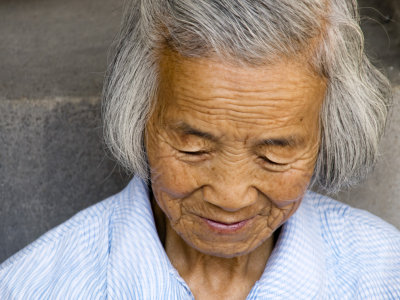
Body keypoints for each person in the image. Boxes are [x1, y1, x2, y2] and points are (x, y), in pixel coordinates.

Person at [1, 0, 399, 299]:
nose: (229, 196)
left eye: (273, 154)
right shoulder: (33, 288)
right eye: (193, 149)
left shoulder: (385, 276)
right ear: (141, 118)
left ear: (326, 136)